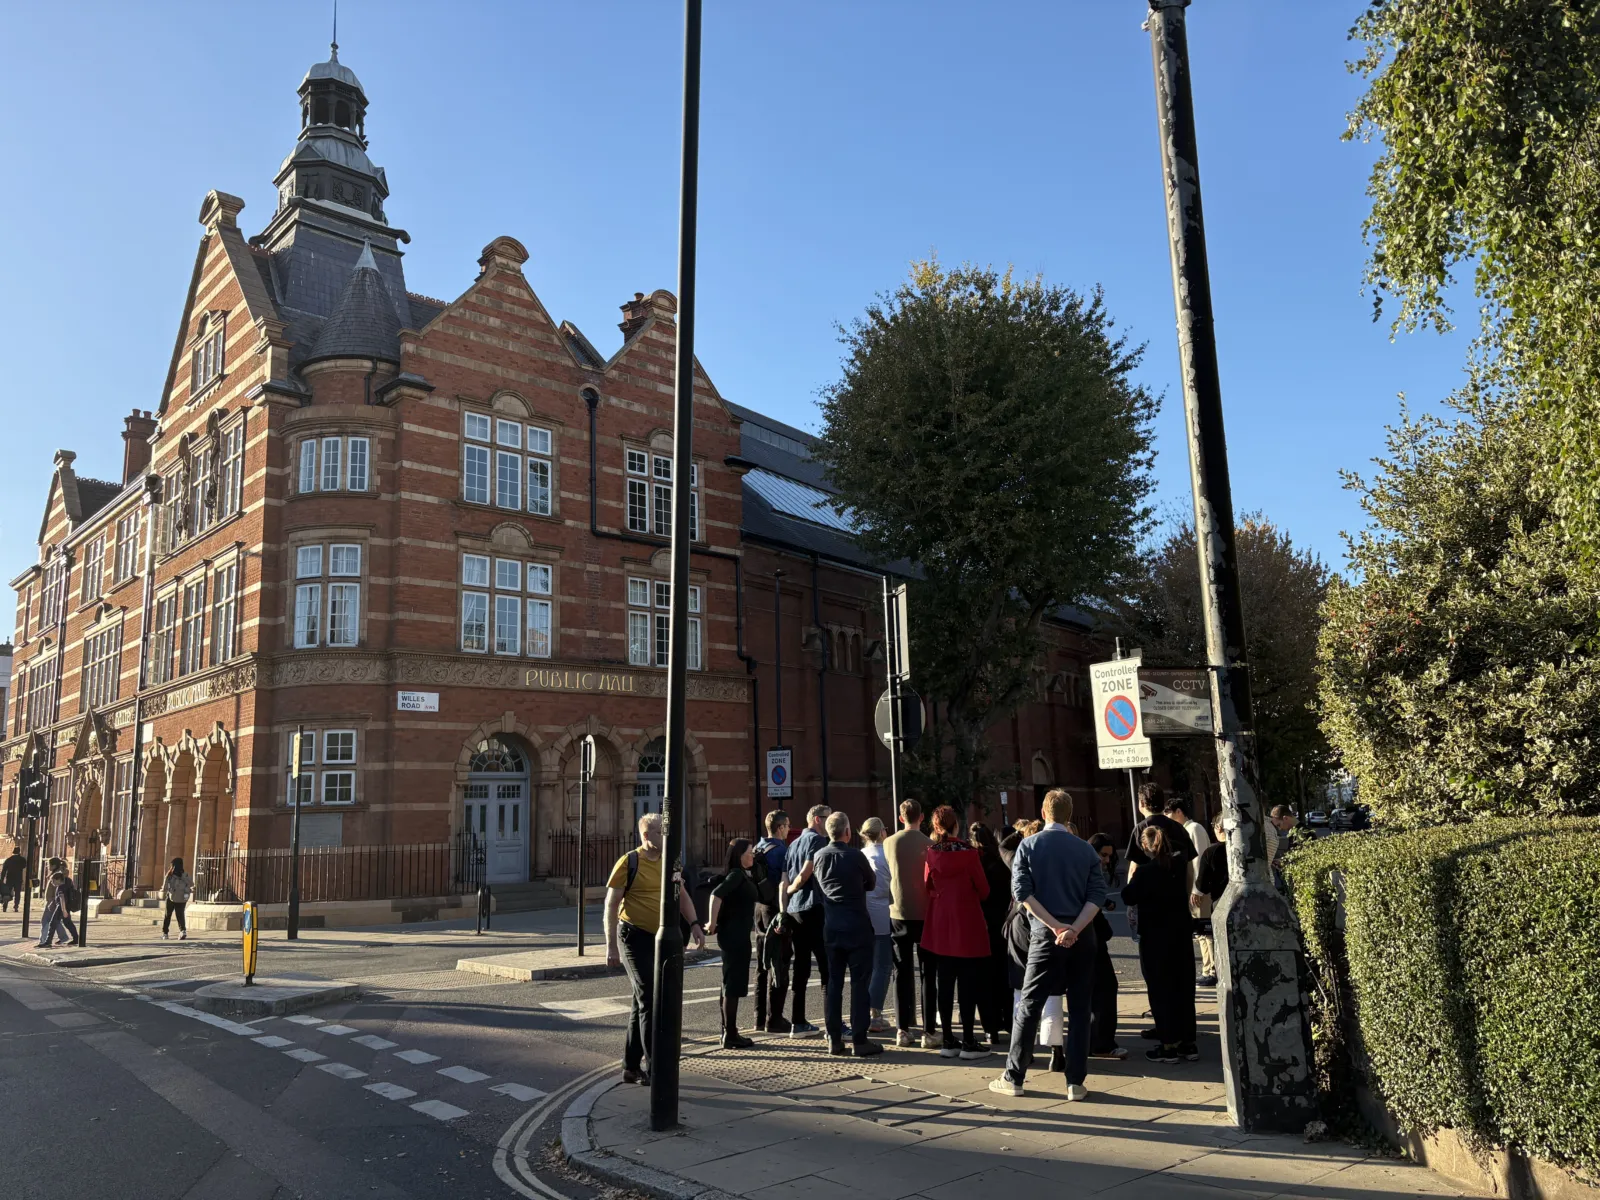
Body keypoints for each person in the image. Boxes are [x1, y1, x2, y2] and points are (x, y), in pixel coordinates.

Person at [991, 790, 1106, 1102]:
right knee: (1081, 1008)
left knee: (1030, 1005)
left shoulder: (1028, 845)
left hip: (1044, 935)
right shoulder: (1085, 850)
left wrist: (1055, 926)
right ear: (1069, 815)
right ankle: (1075, 1083)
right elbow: (1097, 895)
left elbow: (1022, 893)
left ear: (1043, 813)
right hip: (1082, 937)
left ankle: (1014, 1076)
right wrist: (1074, 929)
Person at [604, 813, 707, 1085]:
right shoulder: (629, 862)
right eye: (662, 832)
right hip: (632, 937)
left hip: (658, 938)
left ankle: (630, 1066)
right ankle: (655, 1066)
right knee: (649, 996)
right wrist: (611, 946)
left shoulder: (670, 862)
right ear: (647, 836)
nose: (667, 837)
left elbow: (682, 894)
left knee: (642, 1002)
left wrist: (695, 923)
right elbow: (611, 905)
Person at [1121, 824, 1198, 1064]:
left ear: (1145, 846)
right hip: (1181, 933)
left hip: (1155, 936)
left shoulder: (1146, 872)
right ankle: (1188, 1043)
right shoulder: (1177, 866)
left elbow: (1128, 896)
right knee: (1183, 988)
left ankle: (1168, 1045)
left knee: (1160, 988)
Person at [921, 806, 991, 1059]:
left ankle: (948, 1040)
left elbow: (927, 885)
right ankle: (969, 1041)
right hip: (966, 920)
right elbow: (983, 890)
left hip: (941, 921)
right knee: (968, 982)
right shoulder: (970, 853)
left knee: (944, 981)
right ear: (955, 826)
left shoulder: (931, 853)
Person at [812, 810, 882, 1057]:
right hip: (857, 927)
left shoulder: (819, 856)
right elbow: (871, 883)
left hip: (832, 927)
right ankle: (860, 1040)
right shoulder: (855, 856)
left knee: (834, 983)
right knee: (860, 984)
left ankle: (834, 1039)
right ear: (848, 831)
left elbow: (818, 888)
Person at [883, 799, 937, 1048]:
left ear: (900, 817)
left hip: (898, 912)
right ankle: (928, 1031)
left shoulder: (888, 843)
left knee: (901, 972)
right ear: (922, 817)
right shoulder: (930, 845)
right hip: (925, 912)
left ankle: (902, 1030)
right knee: (928, 973)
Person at [780, 804, 832, 1037]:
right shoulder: (818, 842)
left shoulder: (792, 844)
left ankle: (797, 1022)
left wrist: (786, 902)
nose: (830, 824)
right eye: (828, 819)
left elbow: (783, 880)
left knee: (800, 967)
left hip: (794, 911)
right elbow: (804, 873)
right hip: (813, 907)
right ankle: (833, 1024)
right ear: (818, 820)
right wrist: (794, 888)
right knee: (826, 966)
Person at [707, 839, 760, 1050]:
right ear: (739, 856)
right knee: (733, 984)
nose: (753, 856)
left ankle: (728, 1031)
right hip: (734, 936)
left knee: (730, 982)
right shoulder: (736, 875)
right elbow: (716, 895)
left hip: (737, 934)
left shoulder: (742, 875)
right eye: (750, 853)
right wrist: (711, 923)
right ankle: (730, 1034)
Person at [969, 822, 1012, 1049]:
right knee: (1004, 975)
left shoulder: (973, 861)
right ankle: (1009, 1023)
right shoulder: (1002, 860)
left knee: (982, 979)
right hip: (1003, 924)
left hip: (980, 924)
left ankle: (990, 1029)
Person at [1166, 797, 1216, 987]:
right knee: (1200, 932)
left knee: (1205, 931)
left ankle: (1211, 970)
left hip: (1199, 890)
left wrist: (1197, 889)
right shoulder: (1186, 829)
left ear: (1179, 811)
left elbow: (1199, 861)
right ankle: (1207, 968)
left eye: (1169, 813)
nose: (1168, 817)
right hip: (1194, 890)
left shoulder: (1193, 829)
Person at [1087, 833, 1128, 1060]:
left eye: (1109, 857)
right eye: (1103, 855)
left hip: (1085, 937)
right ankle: (1101, 1043)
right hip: (1090, 938)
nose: (1105, 860)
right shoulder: (1087, 870)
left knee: (1093, 992)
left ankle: (1094, 1041)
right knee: (1104, 989)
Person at [752, 809, 792, 1033]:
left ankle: (758, 1018)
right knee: (779, 961)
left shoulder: (758, 847)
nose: (788, 828)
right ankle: (774, 1018)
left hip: (758, 908)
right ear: (779, 827)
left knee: (761, 965)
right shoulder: (781, 851)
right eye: (787, 825)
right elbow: (784, 885)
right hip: (775, 909)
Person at [858, 816, 894, 1034]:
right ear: (882, 832)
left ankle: (865, 1010)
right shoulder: (886, 854)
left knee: (868, 966)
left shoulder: (861, 855)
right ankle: (875, 1013)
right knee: (883, 966)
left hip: (864, 913)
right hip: (884, 912)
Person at [38, 863, 79, 948]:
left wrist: (64, 910)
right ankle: (76, 938)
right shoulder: (68, 881)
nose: (52, 883)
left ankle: (48, 942)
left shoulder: (60, 887)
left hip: (61, 907)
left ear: (58, 879)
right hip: (66, 906)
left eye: (53, 881)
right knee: (68, 923)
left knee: (53, 923)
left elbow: (62, 898)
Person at [162, 857, 194, 940]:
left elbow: (164, 887)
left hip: (171, 897)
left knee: (167, 915)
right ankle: (183, 931)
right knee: (180, 915)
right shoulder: (185, 874)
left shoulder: (170, 875)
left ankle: (165, 933)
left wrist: (167, 877)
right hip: (182, 898)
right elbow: (192, 884)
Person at [0, 845, 24, 913]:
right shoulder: (22, 860)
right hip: (18, 879)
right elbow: (24, 866)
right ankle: (16, 906)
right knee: (17, 893)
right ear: (19, 852)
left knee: (7, 892)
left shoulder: (8, 860)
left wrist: (1, 880)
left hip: (9, 878)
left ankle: (5, 906)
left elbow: (4, 870)